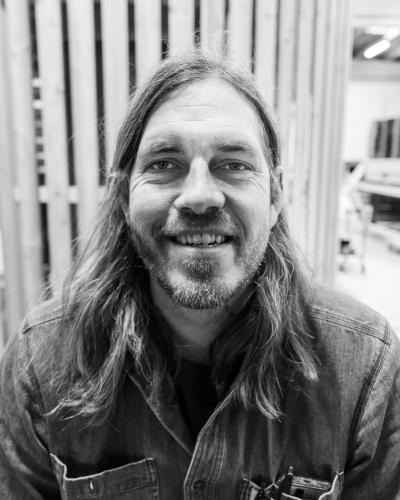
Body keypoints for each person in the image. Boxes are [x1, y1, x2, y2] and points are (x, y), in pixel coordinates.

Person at [0, 51, 399, 500]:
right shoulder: (40, 361)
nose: (199, 196)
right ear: (123, 197)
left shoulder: (364, 367)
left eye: (234, 164)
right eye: (163, 163)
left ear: (274, 197)